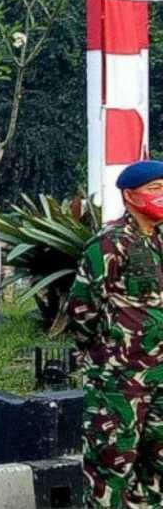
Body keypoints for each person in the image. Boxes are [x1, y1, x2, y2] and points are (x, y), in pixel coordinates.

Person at [67, 160, 163, 508]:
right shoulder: (109, 243)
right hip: (119, 381)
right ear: (129, 195)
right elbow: (81, 309)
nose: (162, 195)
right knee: (110, 469)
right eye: (155, 189)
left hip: (160, 380)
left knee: (153, 471)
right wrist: (105, 353)